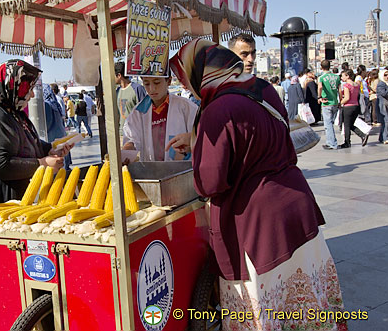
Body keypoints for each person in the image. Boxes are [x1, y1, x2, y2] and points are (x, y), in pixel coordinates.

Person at [169, 39, 346, 331]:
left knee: (267, 305)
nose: (188, 88)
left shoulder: (217, 110)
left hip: (259, 223)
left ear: (201, 73)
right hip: (297, 205)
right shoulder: (263, 89)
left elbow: (210, 182)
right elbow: (254, 130)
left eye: (187, 80)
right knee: (307, 296)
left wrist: (199, 151)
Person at [0, 59, 71, 212]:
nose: (32, 94)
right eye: (28, 88)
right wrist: (42, 163)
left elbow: (25, 142)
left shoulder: (11, 112)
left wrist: (50, 150)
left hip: (17, 202)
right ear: (12, 86)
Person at [122, 72, 198, 162]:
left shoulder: (186, 107)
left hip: (182, 169)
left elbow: (200, 135)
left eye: (157, 82)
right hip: (152, 170)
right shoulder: (138, 112)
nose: (152, 88)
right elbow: (131, 138)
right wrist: (128, 148)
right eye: (146, 83)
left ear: (168, 81)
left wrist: (191, 139)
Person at [44, 84, 72, 170]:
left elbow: (46, 126)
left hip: (52, 140)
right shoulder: (54, 103)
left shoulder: (46, 105)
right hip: (60, 136)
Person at [339, 69, 369, 148]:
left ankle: (347, 142)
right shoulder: (356, 85)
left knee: (346, 125)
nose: (342, 78)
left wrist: (340, 103)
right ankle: (363, 135)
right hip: (356, 106)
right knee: (350, 124)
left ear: (347, 76)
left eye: (343, 76)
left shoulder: (346, 86)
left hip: (348, 107)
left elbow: (347, 97)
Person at [115, 61, 147, 134]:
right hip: (122, 133)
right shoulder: (117, 91)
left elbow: (145, 112)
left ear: (119, 75)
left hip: (136, 133)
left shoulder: (137, 89)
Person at [318, 60, 341, 150]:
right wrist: (340, 100)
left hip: (326, 102)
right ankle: (331, 141)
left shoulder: (322, 77)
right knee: (331, 122)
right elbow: (339, 89)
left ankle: (332, 143)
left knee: (328, 124)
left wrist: (319, 97)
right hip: (335, 101)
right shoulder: (336, 77)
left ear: (321, 67)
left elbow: (320, 87)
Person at [376, 70, 388, 144]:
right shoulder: (381, 84)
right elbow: (384, 93)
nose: (387, 77)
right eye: (385, 75)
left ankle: (382, 137)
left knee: (385, 121)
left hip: (385, 104)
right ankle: (385, 138)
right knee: (385, 120)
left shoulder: (386, 83)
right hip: (382, 104)